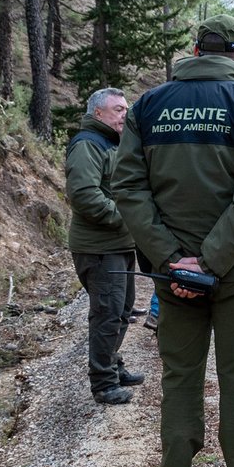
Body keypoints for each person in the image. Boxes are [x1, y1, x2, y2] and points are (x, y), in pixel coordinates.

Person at [112, 14, 234, 467]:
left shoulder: (147, 107)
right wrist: (211, 260)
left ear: (194, 50)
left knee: (181, 379)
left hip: (174, 276)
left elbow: (128, 189)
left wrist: (171, 258)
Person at [65, 87, 144, 406]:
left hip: (119, 245)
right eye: (118, 109)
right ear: (97, 113)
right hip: (99, 247)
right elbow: (83, 194)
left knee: (122, 310)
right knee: (107, 314)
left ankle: (112, 363)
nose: (125, 113)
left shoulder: (112, 143)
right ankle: (103, 382)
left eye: (126, 108)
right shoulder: (88, 145)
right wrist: (126, 219)